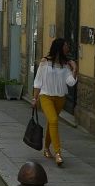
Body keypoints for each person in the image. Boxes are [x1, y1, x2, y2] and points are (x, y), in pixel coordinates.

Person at [31, 38, 77, 166]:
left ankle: (46, 149)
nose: (68, 48)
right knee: (54, 121)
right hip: (46, 96)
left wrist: (75, 69)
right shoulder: (45, 62)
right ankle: (58, 153)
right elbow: (38, 81)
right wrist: (35, 98)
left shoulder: (65, 64)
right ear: (59, 47)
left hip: (60, 98)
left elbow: (70, 82)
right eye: (66, 46)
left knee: (52, 123)